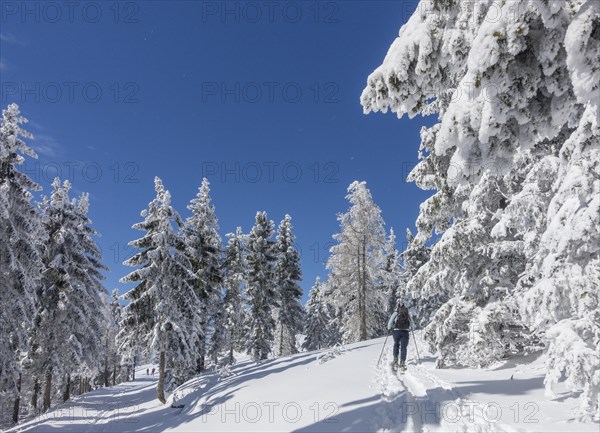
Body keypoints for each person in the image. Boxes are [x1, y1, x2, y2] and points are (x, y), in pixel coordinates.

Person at [387, 301, 412, 371]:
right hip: (405, 331)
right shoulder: (407, 313)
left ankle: (395, 359)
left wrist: (389, 328)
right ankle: (402, 362)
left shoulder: (396, 313)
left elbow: (390, 322)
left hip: (396, 331)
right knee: (404, 347)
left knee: (396, 344)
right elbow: (412, 323)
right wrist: (411, 328)